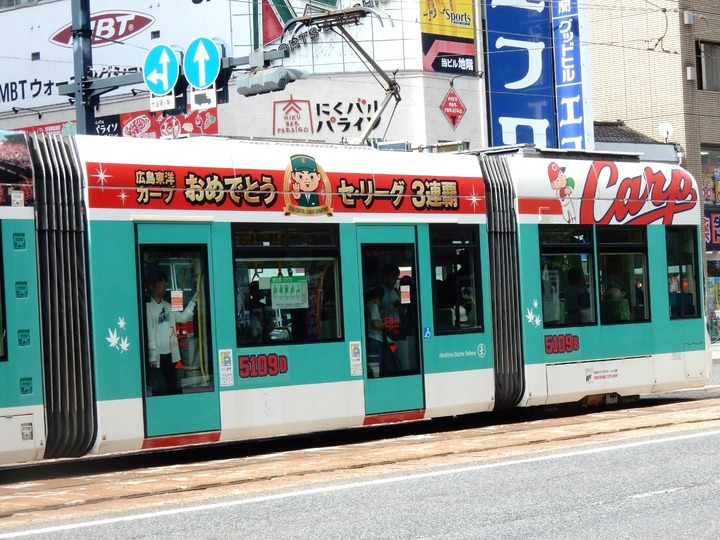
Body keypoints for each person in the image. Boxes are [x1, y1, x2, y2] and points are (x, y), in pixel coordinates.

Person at [146, 270, 198, 395]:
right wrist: (152, 356)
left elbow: (183, 318)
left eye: (165, 284)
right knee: (161, 390)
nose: (164, 287)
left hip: (171, 355)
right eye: (161, 284)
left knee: (174, 389)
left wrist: (192, 302)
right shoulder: (148, 308)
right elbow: (150, 333)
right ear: (152, 286)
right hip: (157, 358)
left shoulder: (168, 306)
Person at [364, 286, 384, 378]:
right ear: (376, 298)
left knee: (372, 365)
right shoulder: (374, 306)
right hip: (375, 339)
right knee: (377, 366)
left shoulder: (367, 306)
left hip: (370, 339)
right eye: (380, 298)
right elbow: (375, 324)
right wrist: (387, 324)